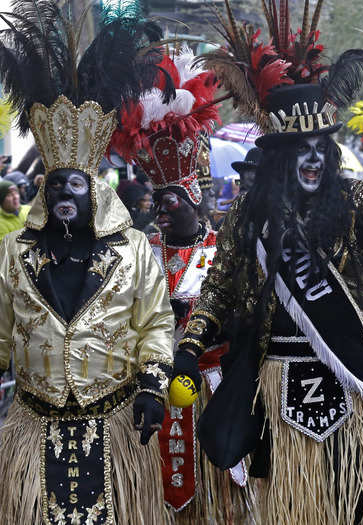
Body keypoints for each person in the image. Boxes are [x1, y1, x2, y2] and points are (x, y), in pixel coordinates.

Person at [171, 2, 363, 523]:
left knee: (351, 499)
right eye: (300, 149)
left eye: (320, 147)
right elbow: (221, 286)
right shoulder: (253, 211)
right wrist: (190, 348)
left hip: (348, 370)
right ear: (280, 157)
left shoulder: (353, 198)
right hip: (275, 373)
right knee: (287, 501)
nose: (313, 158)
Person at [0, 6, 174, 523]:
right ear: (43, 192)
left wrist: (152, 385)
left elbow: (156, 324)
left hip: (115, 425)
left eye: (74, 184)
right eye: (55, 185)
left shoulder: (133, 252)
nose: (62, 194)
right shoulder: (15, 254)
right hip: (34, 429)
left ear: (94, 189)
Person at [110, 45, 246, 523]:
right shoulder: (140, 250)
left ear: (194, 200)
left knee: (220, 500)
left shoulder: (222, 251)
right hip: (151, 391)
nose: (162, 211)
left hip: (210, 387)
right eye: (158, 203)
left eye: (173, 202)